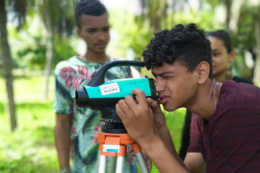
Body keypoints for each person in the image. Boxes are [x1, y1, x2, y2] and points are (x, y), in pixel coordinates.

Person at [115, 23, 260, 173]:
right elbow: (189, 170)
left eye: (167, 76)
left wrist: (148, 139)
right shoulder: (202, 112)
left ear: (201, 73)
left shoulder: (236, 111)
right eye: (157, 77)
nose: (158, 87)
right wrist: (160, 130)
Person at [54, 0, 137, 173]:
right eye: (92, 31)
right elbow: (62, 123)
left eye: (105, 29)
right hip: (86, 164)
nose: (101, 37)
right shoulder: (67, 71)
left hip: (125, 163)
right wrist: (64, 168)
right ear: (79, 33)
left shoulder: (124, 68)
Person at [179, 30, 254, 160]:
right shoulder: (196, 94)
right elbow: (188, 143)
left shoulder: (247, 89)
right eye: (206, 54)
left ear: (230, 55)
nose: (210, 59)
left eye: (216, 54)